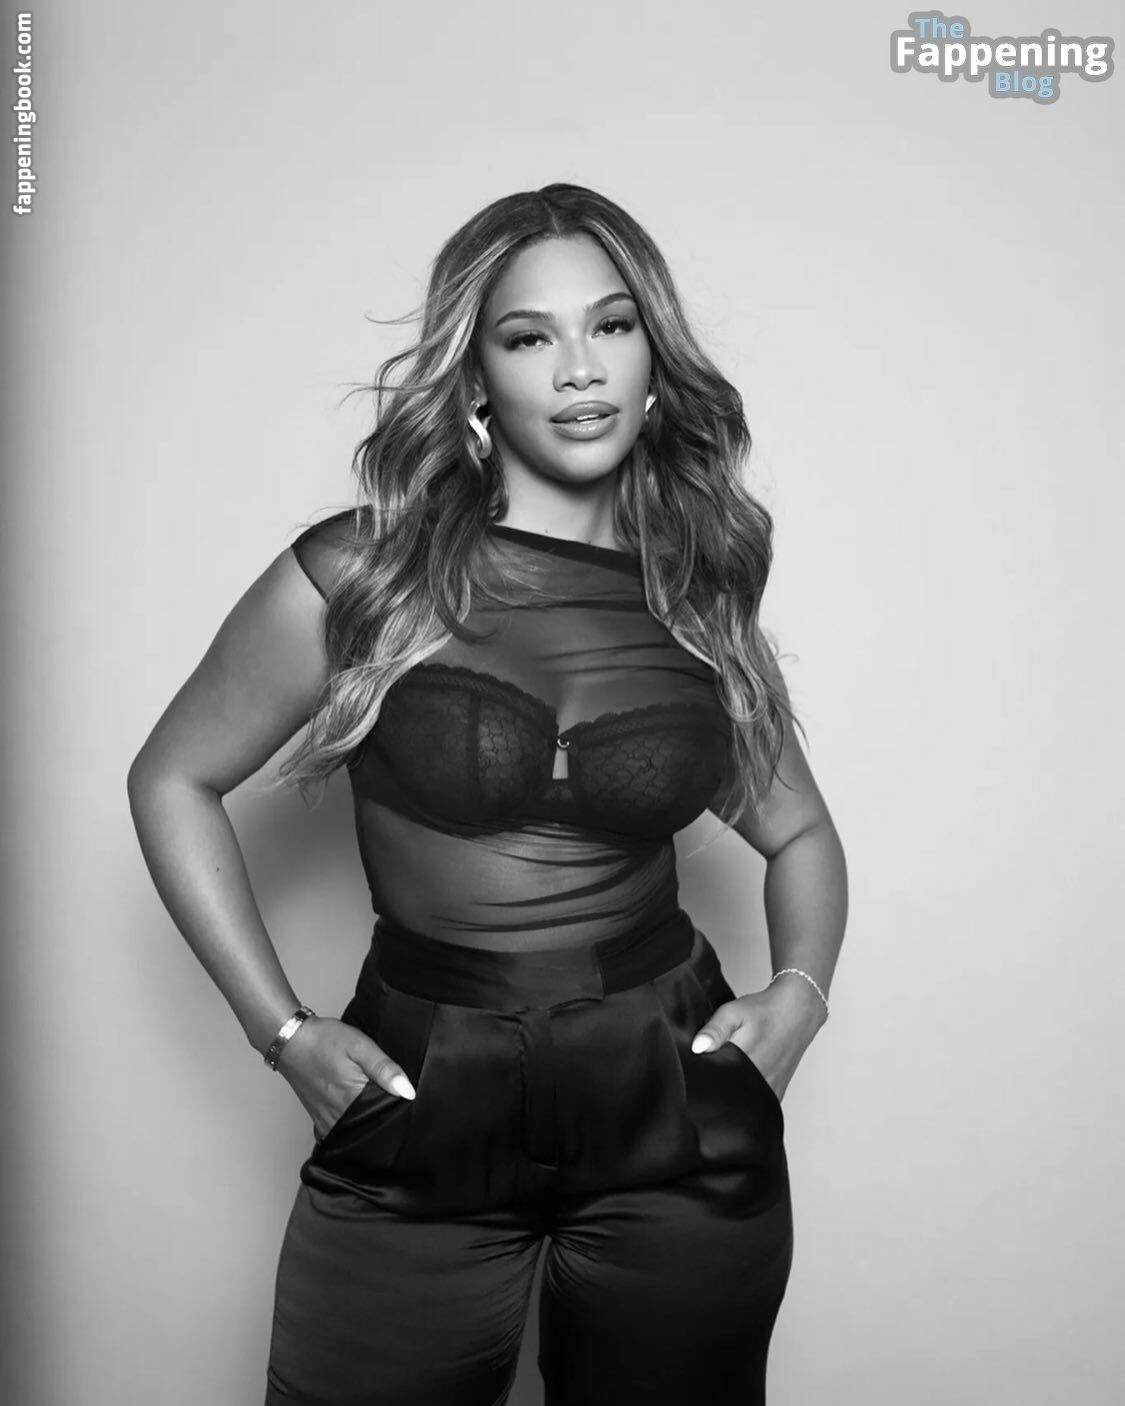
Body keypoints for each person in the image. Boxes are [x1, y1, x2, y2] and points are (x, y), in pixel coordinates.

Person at [126, 182, 848, 1406]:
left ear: (655, 360)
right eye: (529, 337)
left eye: (611, 325)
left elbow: (803, 832)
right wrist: (282, 1031)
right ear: (475, 378)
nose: (579, 368)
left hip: (669, 1096)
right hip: (422, 1093)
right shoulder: (366, 575)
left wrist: (800, 995)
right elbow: (172, 778)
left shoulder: (692, 595)